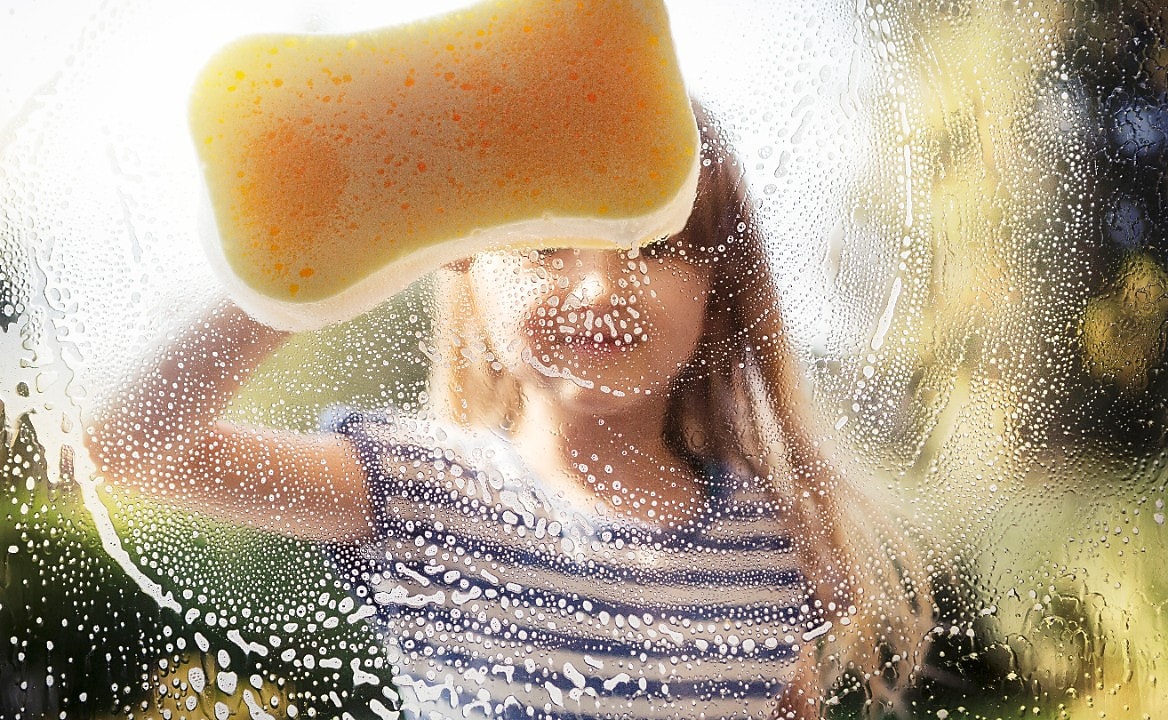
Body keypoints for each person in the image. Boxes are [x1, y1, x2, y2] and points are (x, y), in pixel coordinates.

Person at [89, 105, 935, 720]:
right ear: (464, 266)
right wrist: (319, 260)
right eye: (544, 242)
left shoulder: (773, 538)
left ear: (718, 287)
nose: (600, 285)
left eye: (655, 243)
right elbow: (130, 449)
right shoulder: (424, 495)